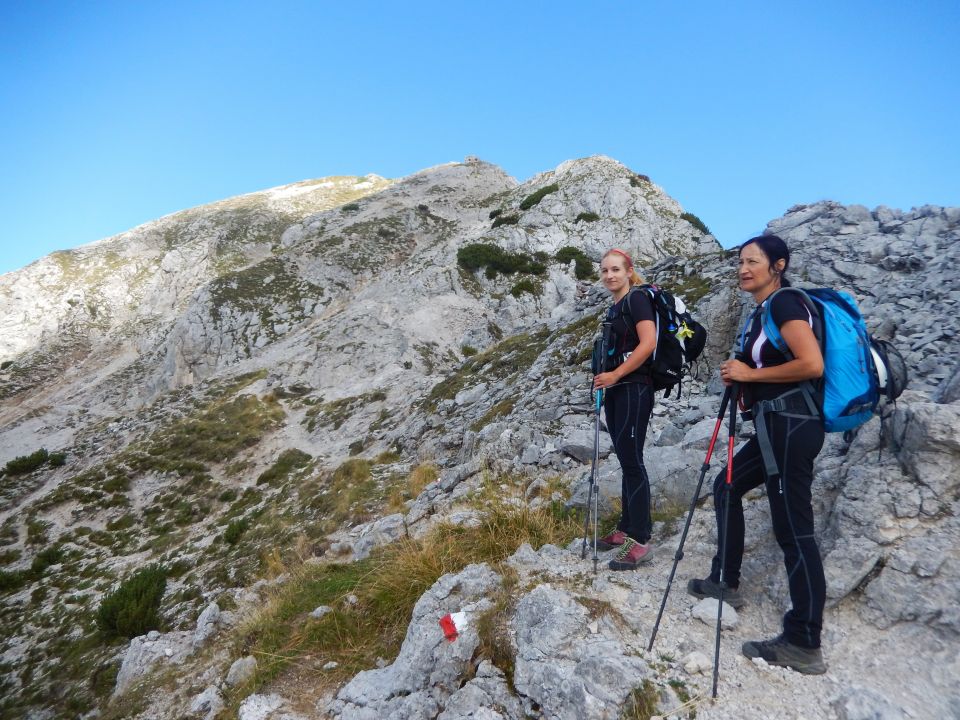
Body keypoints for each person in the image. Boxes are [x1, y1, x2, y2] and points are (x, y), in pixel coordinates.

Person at [687, 234, 828, 675]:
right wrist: (744, 377)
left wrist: (751, 372)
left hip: (792, 426)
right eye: (740, 261)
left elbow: (812, 364)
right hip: (773, 424)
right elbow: (769, 370)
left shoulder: (786, 304)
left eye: (753, 261)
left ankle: (804, 641)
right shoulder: (763, 311)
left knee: (794, 532)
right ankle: (725, 580)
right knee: (726, 485)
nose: (743, 268)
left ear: (778, 265)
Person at [592, 248, 658, 571]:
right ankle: (626, 529)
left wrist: (617, 374)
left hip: (634, 389)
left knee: (632, 459)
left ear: (629, 271)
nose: (609, 276)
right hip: (618, 390)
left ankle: (641, 539)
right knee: (625, 457)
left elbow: (649, 342)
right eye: (605, 271)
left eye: (616, 269)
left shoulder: (637, 300)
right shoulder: (615, 307)